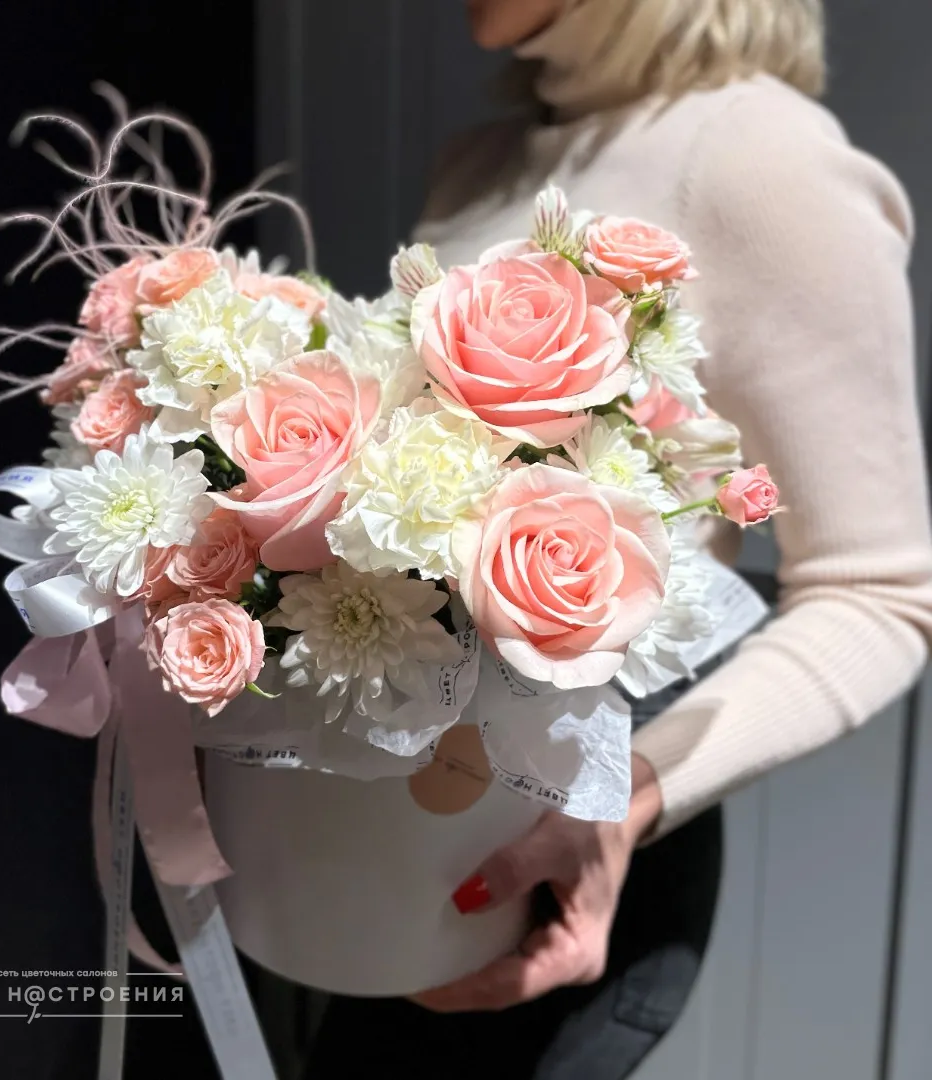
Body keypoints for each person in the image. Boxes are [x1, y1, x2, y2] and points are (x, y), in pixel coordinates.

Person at [299, 1, 932, 1076]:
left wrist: (629, 797)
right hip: (409, 817)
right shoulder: (485, 162)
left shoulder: (762, 160)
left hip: (568, 850)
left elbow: (882, 594)